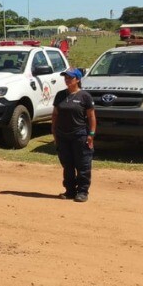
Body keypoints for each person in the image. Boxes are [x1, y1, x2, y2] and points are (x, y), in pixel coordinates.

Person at [51, 68, 96, 203]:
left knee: (83, 164)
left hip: (80, 135)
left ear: (77, 79)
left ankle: (82, 192)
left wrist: (91, 134)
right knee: (67, 165)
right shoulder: (60, 95)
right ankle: (70, 190)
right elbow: (55, 115)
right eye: (65, 77)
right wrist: (54, 133)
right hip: (62, 135)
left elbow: (91, 116)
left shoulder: (85, 96)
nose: (67, 80)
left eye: (70, 77)